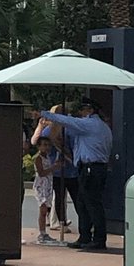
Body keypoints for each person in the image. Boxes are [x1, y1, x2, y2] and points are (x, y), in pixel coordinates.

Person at [39, 98, 113, 251]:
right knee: (83, 203)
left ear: (90, 110)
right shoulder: (103, 127)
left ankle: (98, 239)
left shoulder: (89, 124)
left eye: (84, 109)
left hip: (90, 168)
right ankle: (85, 236)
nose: (81, 113)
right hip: (95, 168)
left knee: (92, 204)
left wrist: (46, 114)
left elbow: (68, 121)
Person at [30, 105, 78, 234]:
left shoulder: (49, 131)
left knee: (59, 199)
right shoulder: (70, 130)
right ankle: (58, 224)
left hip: (57, 172)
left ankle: (60, 223)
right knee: (68, 199)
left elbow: (35, 141)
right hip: (65, 170)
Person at [32, 136, 59, 245]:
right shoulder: (38, 158)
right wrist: (53, 168)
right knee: (43, 210)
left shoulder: (47, 157)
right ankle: (42, 233)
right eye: (44, 145)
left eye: (48, 145)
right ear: (39, 146)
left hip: (48, 186)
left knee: (46, 209)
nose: (47, 147)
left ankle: (44, 232)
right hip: (41, 186)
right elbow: (41, 172)